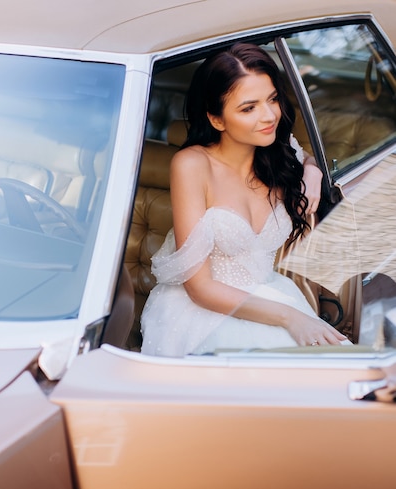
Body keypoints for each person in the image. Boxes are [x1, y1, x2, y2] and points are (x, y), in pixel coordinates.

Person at [140, 42, 347, 357]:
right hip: (206, 311)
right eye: (248, 108)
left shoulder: (281, 153)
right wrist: (290, 317)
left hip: (272, 295)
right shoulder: (192, 165)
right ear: (217, 119)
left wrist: (314, 173)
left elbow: (307, 158)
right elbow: (199, 288)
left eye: (273, 99)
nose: (268, 116)